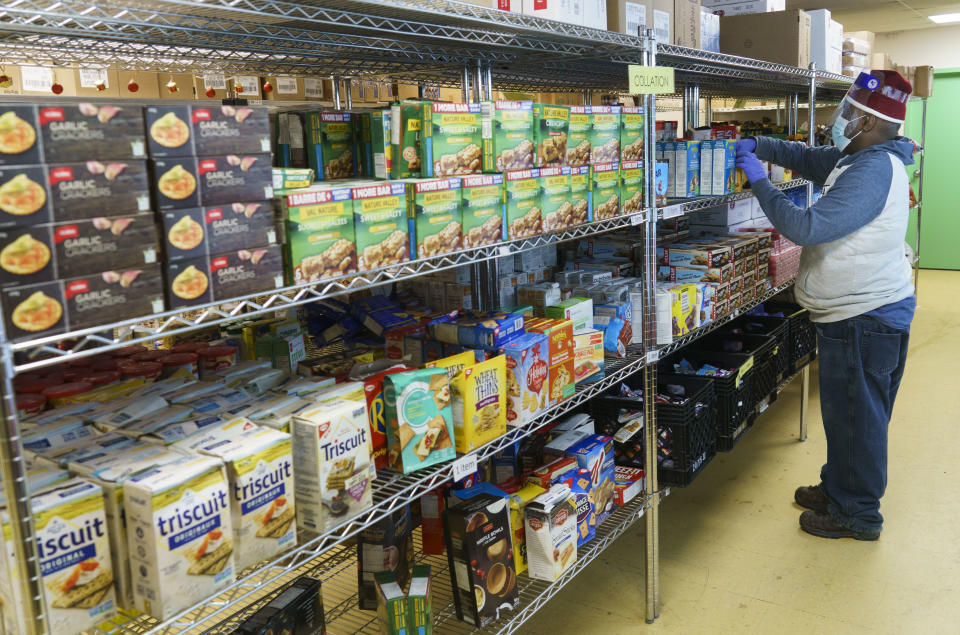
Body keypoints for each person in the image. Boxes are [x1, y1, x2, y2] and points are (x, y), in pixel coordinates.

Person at [735, 69, 916, 541]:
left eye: (848, 113)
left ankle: (856, 514)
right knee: (845, 413)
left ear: (871, 123)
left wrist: (760, 182)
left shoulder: (874, 170)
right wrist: (762, 146)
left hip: (865, 316)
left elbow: (807, 228)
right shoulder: (861, 156)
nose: (840, 119)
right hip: (857, 310)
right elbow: (814, 159)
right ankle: (840, 487)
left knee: (857, 416)